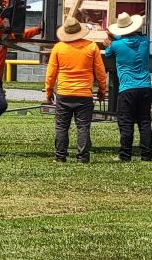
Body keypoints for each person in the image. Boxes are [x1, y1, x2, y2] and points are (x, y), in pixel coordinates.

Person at [44, 16, 107, 163]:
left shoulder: (59, 48)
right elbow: (100, 72)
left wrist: (48, 92)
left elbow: (51, 73)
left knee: (61, 127)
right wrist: (102, 90)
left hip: (64, 93)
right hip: (84, 94)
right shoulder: (91, 47)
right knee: (83, 127)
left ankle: (60, 157)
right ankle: (82, 157)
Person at [102, 12, 152, 162]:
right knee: (144, 122)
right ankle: (147, 155)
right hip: (145, 87)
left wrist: (110, 40)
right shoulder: (144, 42)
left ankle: (125, 155)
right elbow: (130, 39)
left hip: (127, 89)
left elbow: (109, 52)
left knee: (126, 122)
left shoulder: (116, 45)